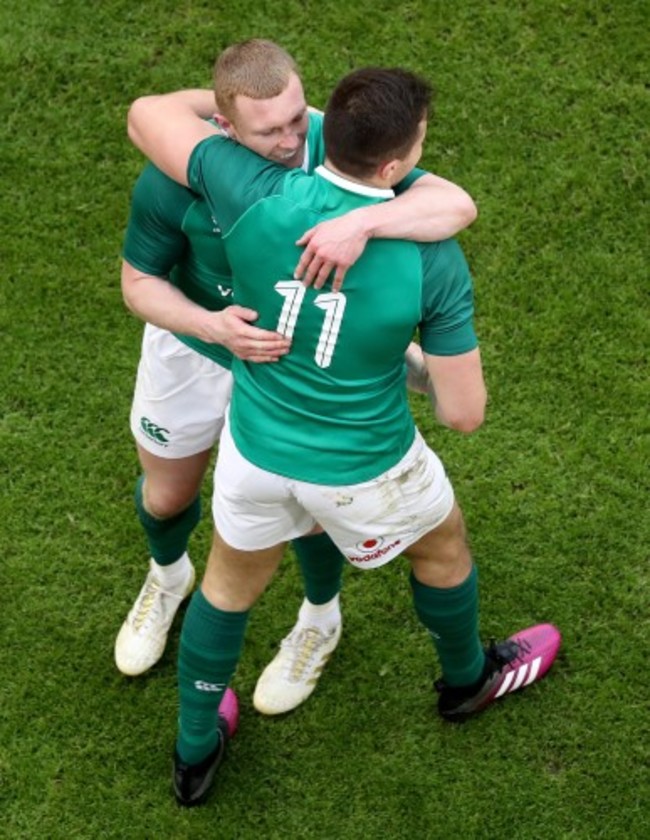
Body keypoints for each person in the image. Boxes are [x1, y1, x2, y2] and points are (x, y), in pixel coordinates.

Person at [129, 62, 561, 807]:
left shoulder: (250, 194)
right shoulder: (431, 256)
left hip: (256, 453)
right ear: (395, 165)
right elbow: (463, 413)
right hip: (366, 465)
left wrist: (226, 111)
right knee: (443, 546)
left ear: (328, 126)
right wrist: (409, 358)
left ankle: (194, 751)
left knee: (228, 588)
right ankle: (468, 680)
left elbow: (151, 116)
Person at [117, 35, 478, 722]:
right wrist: (211, 325)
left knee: (304, 509)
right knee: (166, 498)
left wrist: (363, 223)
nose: (292, 140)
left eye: (297, 117)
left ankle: (319, 618)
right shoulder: (180, 172)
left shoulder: (334, 147)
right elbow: (139, 283)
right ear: (223, 127)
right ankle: (167, 579)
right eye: (269, 129)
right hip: (199, 345)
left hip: (291, 363)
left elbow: (456, 206)